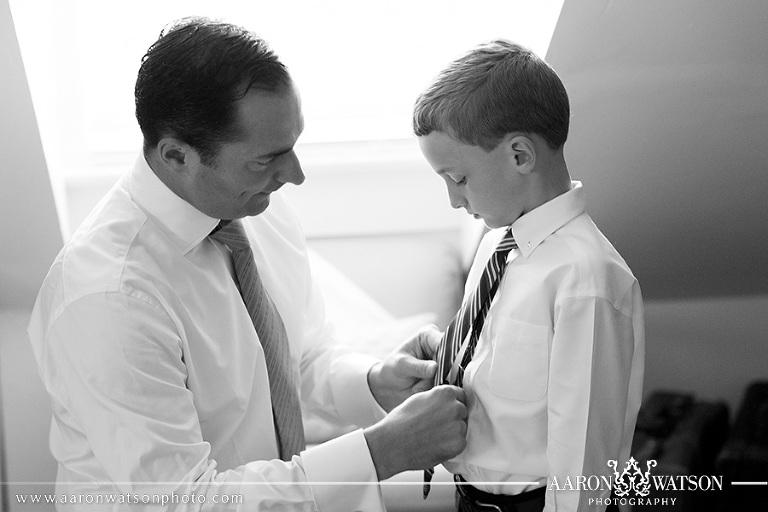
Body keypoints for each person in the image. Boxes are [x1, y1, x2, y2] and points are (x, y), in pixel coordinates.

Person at [27, 17, 468, 511]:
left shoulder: (258, 209)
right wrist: (382, 451)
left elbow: (300, 357)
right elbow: (188, 501)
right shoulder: (108, 297)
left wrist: (372, 381)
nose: (295, 176)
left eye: (294, 145)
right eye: (267, 159)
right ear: (177, 155)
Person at [413, 40, 645, 512]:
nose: (454, 201)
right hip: (471, 498)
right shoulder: (499, 245)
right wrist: (455, 355)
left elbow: (584, 460)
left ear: (519, 155)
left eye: (457, 179)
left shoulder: (586, 280)